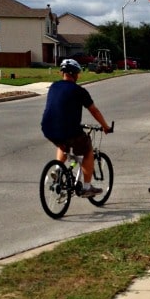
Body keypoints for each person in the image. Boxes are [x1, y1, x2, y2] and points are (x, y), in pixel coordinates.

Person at [41, 58, 112, 198]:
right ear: (74, 74)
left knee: (62, 144)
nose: (78, 76)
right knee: (87, 150)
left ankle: (58, 170)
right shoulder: (79, 90)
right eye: (78, 73)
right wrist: (105, 127)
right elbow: (94, 111)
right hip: (69, 129)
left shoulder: (53, 86)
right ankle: (86, 188)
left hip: (48, 128)